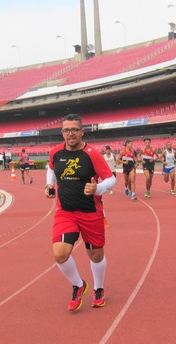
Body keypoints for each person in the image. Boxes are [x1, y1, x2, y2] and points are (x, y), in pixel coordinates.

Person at [45, 114, 116, 312]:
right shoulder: (55, 153)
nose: (70, 133)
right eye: (66, 130)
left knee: (95, 254)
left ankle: (98, 288)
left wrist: (98, 189)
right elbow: (50, 168)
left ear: (82, 131)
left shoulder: (92, 154)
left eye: (74, 129)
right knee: (60, 254)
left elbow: (111, 179)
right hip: (65, 211)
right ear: (62, 133)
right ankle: (78, 285)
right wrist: (49, 184)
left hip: (90, 212)